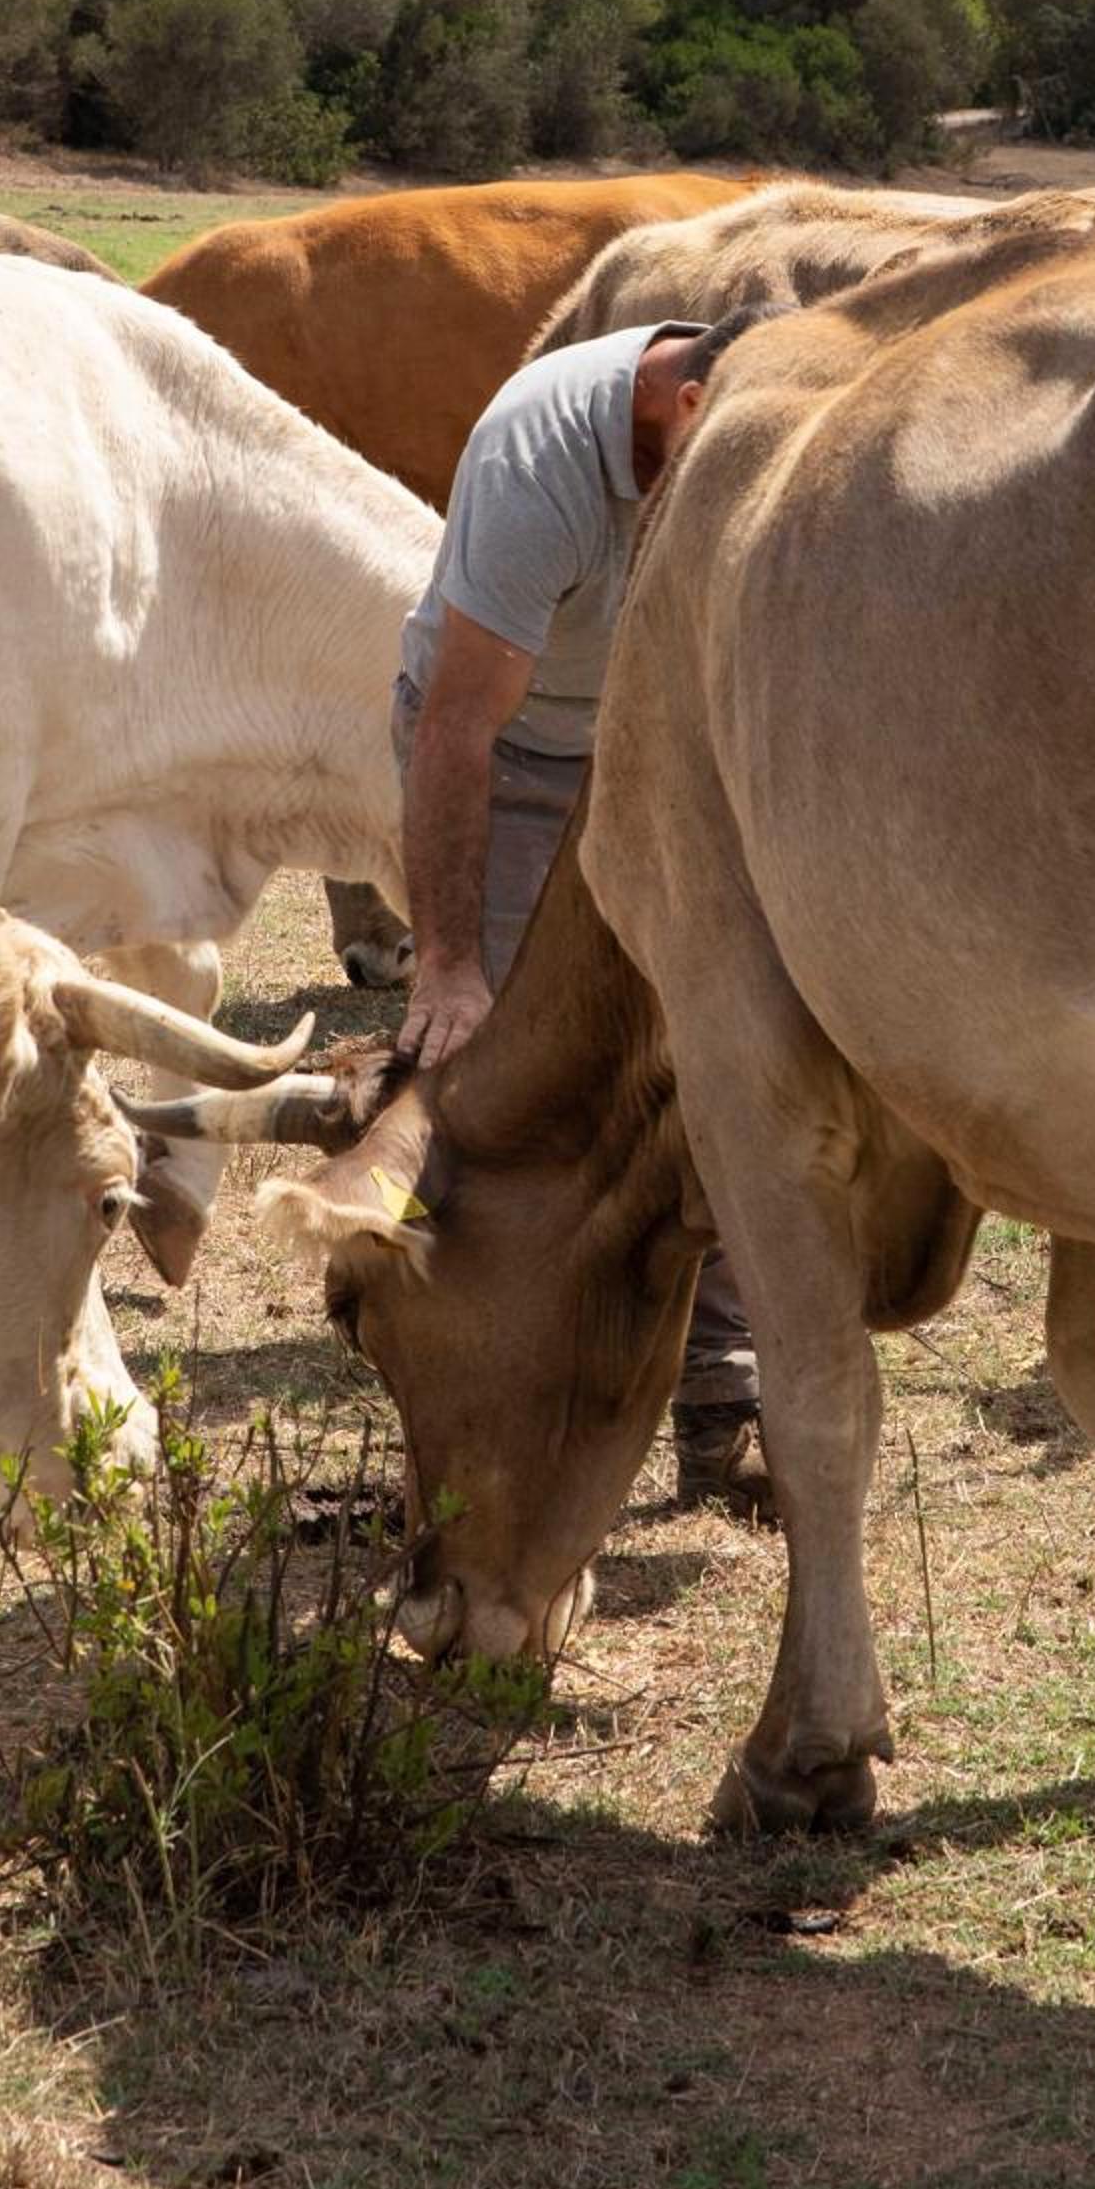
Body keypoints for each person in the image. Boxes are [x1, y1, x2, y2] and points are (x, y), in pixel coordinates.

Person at [390, 314, 770, 1518]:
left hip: (655, 752)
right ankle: (486, 1408)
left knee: (713, 1056)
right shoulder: (539, 462)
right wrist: (449, 961)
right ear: (685, 408)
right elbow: (457, 728)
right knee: (505, 1078)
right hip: (509, 757)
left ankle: (724, 1402)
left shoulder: (750, 434)